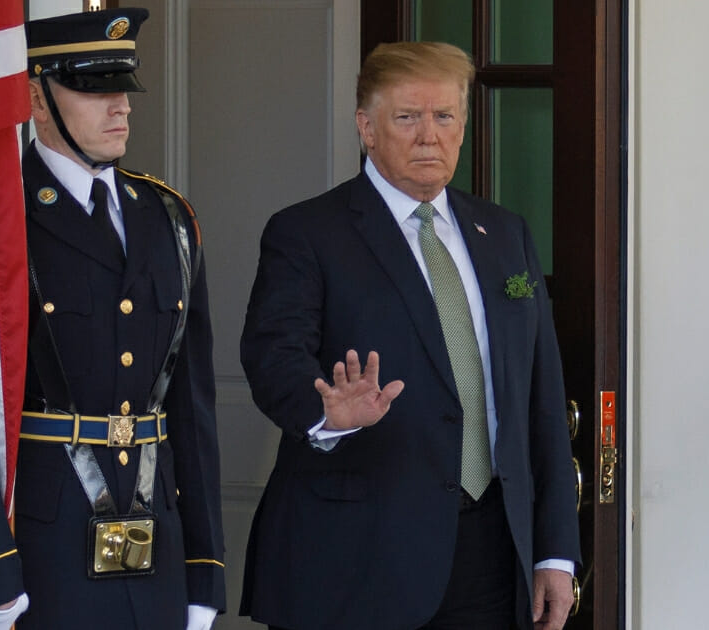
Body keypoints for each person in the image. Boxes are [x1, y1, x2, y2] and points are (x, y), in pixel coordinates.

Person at [0, 9, 225, 629]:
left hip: (156, 559)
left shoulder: (169, 218)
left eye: (123, 88)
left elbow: (191, 409)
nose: (119, 106)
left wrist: (204, 568)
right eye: (93, 88)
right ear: (35, 98)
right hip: (35, 560)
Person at [239, 41, 581, 630]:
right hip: (354, 558)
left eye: (444, 116)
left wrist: (554, 551)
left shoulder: (505, 235)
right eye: (407, 117)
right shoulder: (306, 232)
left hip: (490, 556)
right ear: (366, 128)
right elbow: (272, 356)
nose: (430, 135)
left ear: (464, 125)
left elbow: (541, 402)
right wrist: (327, 412)